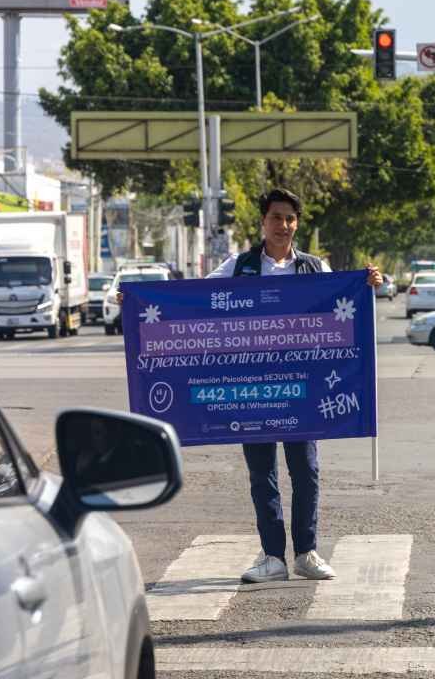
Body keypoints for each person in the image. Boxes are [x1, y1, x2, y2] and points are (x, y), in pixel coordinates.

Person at [126, 188, 383, 583]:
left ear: (297, 224)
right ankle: (272, 557)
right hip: (252, 393)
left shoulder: (315, 269)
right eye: (276, 217)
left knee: (307, 472)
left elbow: (343, 306)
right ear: (263, 222)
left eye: (290, 219)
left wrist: (369, 284)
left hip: (303, 392)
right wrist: (136, 300)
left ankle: (307, 553)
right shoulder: (239, 266)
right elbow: (194, 299)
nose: (283, 225)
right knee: (262, 476)